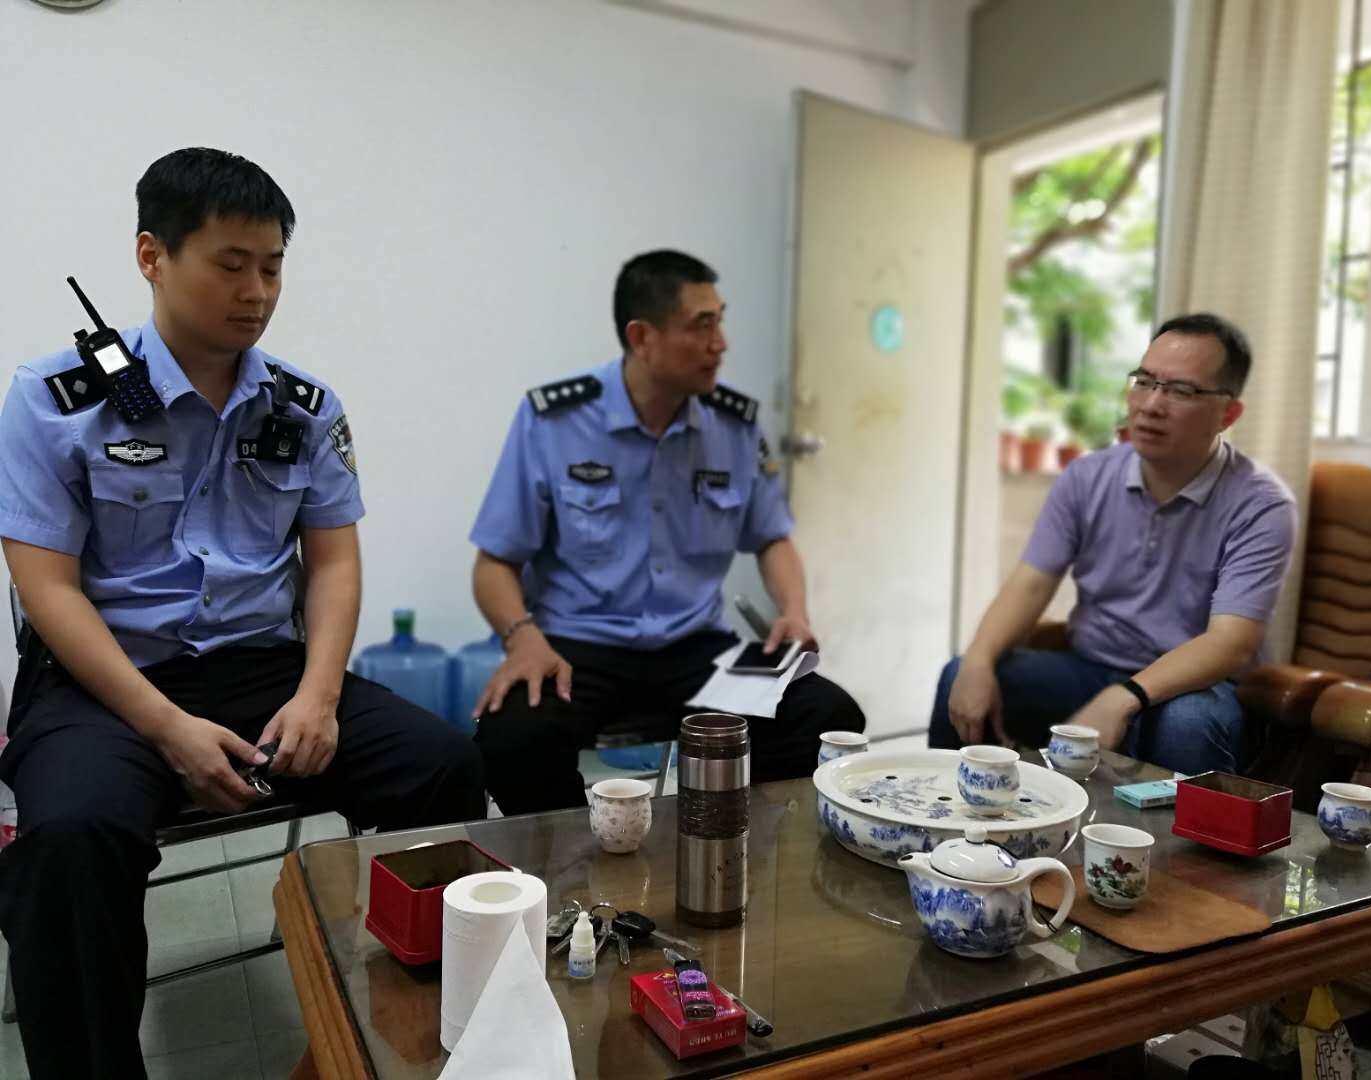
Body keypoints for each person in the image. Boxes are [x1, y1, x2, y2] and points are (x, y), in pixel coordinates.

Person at [0, 148, 487, 1079]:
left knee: (444, 766)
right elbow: (48, 589)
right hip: (104, 685)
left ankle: (407, 1042)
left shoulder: (304, 406)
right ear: (152, 256)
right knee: (69, 840)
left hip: (263, 669)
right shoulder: (53, 401)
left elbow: (333, 560)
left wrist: (320, 696)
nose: (257, 292)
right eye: (230, 264)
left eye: (272, 267)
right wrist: (166, 728)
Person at [469, 249, 863, 814]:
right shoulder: (554, 421)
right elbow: (494, 564)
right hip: (578, 645)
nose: (720, 343)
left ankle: (732, 838)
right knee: (511, 738)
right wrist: (522, 638)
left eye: (720, 321)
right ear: (642, 337)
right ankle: (583, 859)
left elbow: (772, 537)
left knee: (824, 716)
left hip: (697, 648)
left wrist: (795, 611)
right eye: (702, 326)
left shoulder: (734, 425)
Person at [930, 313, 1297, 775]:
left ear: (1228, 414)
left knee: (1186, 724)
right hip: (1090, 667)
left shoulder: (1261, 504)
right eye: (1144, 382)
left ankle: (1178, 829)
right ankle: (943, 817)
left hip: (1193, 689)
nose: (1151, 405)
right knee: (961, 675)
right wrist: (979, 659)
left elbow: (1230, 643)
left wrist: (1126, 697)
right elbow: (1030, 585)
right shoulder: (1087, 477)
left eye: (1181, 391)